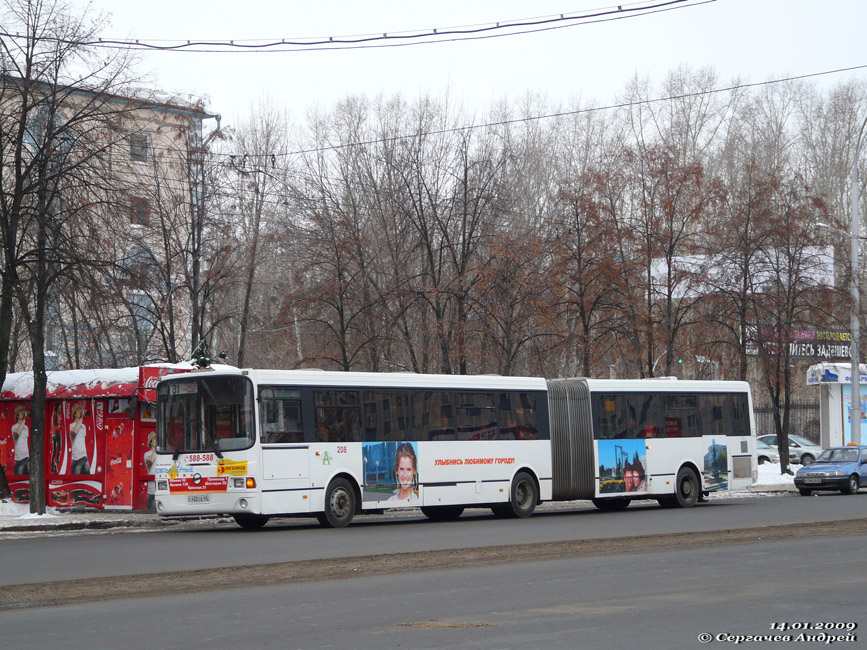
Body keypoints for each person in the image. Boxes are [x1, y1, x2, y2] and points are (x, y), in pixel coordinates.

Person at [70, 404, 89, 475]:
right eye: (78, 411)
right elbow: (74, 431)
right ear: (74, 414)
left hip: (84, 457)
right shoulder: (71, 426)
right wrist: (81, 418)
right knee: (76, 482)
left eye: (80, 411)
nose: (80, 412)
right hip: (76, 460)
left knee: (88, 480)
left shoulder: (83, 426)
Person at [12, 405, 29, 476]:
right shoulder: (14, 427)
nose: (23, 413)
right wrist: (24, 421)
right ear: (17, 414)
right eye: (21, 411)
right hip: (18, 459)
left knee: (28, 481)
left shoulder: (26, 427)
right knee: (19, 481)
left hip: (26, 458)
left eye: (23, 411)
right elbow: (17, 433)